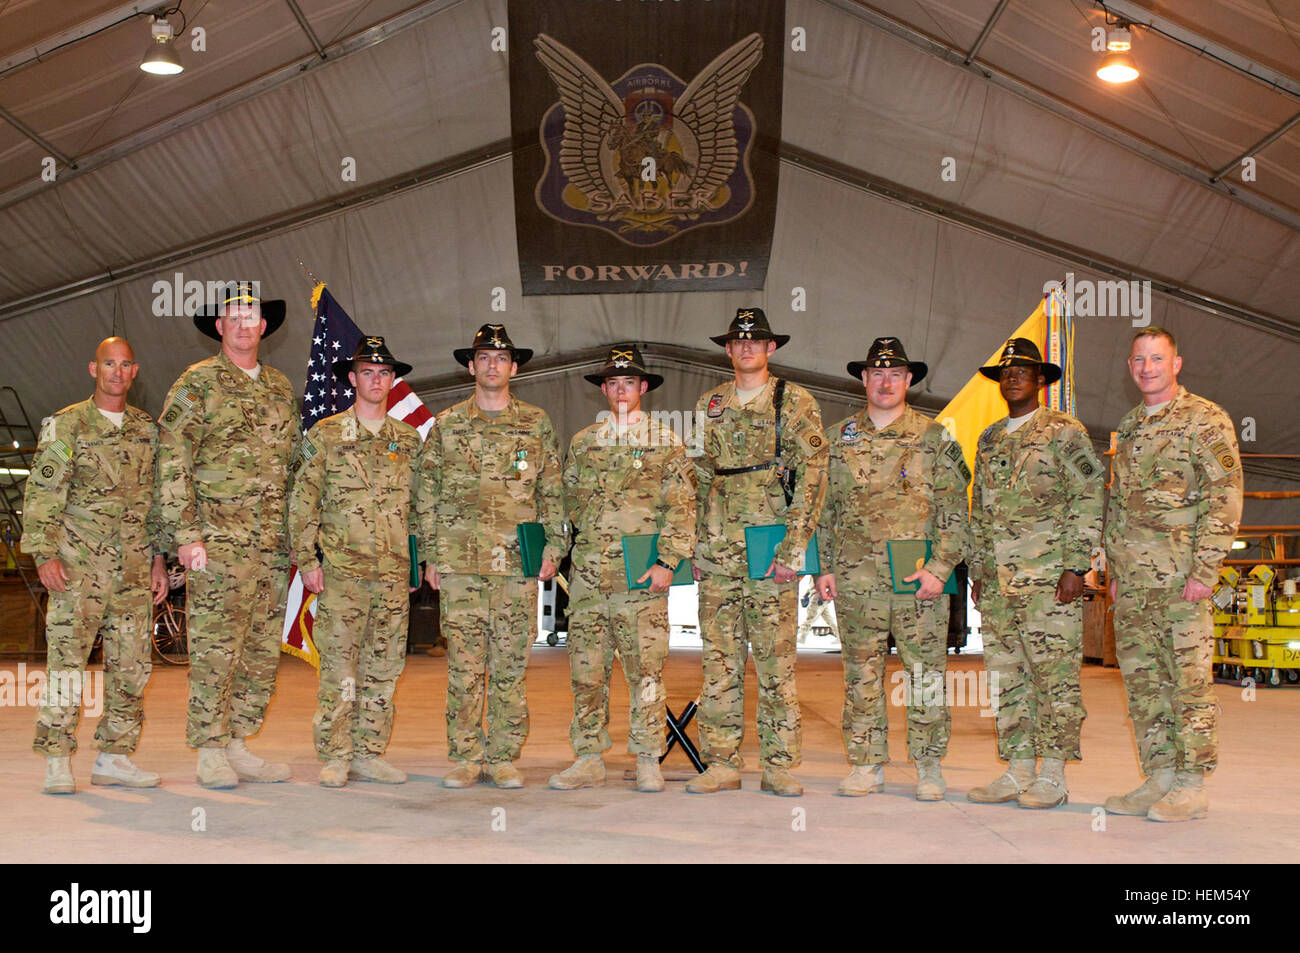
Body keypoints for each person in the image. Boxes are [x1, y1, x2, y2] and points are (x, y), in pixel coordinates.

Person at [155, 281, 300, 789]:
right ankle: (210, 749)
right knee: (217, 649)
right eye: (233, 316)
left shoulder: (280, 387)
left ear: (264, 326)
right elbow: (172, 459)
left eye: (251, 316)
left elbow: (295, 466)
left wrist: (300, 538)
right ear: (220, 327)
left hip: (272, 548)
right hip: (216, 545)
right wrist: (185, 535)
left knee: (260, 651)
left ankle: (239, 743)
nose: (243, 324)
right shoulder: (197, 384)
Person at [816, 337, 970, 800]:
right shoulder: (836, 439)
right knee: (860, 673)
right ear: (863, 379)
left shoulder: (935, 438)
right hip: (855, 579)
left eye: (895, 375)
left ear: (909, 381)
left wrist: (940, 568)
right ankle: (866, 764)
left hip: (918, 579)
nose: (885, 382)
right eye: (876, 374)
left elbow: (954, 509)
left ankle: (928, 766)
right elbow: (824, 509)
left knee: (925, 674)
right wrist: (824, 568)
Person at [416, 325, 564, 789]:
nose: (492, 365)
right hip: (460, 566)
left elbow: (553, 492)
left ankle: (501, 755)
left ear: (514, 367)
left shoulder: (535, 422)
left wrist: (554, 549)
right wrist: (431, 556)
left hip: (516, 568)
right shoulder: (448, 424)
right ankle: (464, 755)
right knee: (463, 666)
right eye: (484, 357)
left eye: (501, 358)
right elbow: (427, 493)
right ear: (471, 365)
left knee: (509, 666)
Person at [1103, 327, 1242, 822]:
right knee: (1144, 686)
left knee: (1188, 684)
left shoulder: (1206, 420)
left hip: (1182, 581)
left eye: (1157, 359)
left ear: (1176, 364)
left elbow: (1224, 497)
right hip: (1135, 583)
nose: (1147, 368)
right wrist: (1116, 569)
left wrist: (1206, 569)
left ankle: (1190, 784)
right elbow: (1117, 504)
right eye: (1139, 359)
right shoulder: (1132, 424)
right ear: (1130, 365)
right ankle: (1159, 775)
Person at [688, 308, 827, 796]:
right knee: (718, 661)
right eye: (738, 341)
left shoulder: (793, 400)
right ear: (728, 350)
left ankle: (779, 765)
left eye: (756, 340)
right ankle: (721, 761)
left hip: (770, 549)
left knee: (775, 661)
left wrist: (794, 550)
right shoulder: (710, 403)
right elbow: (698, 477)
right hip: (719, 550)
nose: (746, 347)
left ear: (771, 348)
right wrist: (696, 549)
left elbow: (813, 477)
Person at [23, 338, 169, 794]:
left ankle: (114, 756)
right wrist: (44, 553)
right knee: (67, 664)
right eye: (109, 363)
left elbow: (158, 501)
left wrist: (159, 560)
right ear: (93, 368)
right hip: (76, 569)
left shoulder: (147, 430)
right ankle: (57, 759)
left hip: (132, 571)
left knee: (131, 666)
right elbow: (43, 492)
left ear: (134, 371)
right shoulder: (67, 425)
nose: (117, 372)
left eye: (125, 365)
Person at [551, 345, 696, 793]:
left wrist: (667, 561)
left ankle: (649, 756)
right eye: (612, 383)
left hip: (641, 578)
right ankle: (589, 757)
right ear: (604, 389)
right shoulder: (584, 442)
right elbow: (563, 505)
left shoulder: (666, 443)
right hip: (590, 579)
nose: (619, 389)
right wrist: (553, 553)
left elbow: (683, 506)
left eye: (628, 382)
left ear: (643, 388)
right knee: (586, 673)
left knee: (646, 672)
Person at [967, 338, 1103, 809]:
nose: (1013, 376)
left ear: (1040, 379)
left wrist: (1075, 565)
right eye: (1006, 371)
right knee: (1007, 679)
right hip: (1000, 584)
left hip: (1049, 581)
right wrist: (979, 569)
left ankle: (1052, 775)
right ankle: (1018, 767)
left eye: (1023, 369)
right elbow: (978, 510)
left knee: (1055, 678)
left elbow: (1088, 496)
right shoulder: (990, 438)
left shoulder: (1064, 432)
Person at [289, 337, 423, 788]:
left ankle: (369, 752)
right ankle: (336, 753)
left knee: (384, 669)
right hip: (342, 575)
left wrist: (415, 565)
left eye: (384, 373)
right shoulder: (323, 435)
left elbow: (420, 509)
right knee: (340, 669)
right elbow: (302, 502)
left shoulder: (407, 441)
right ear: (352, 378)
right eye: (367, 372)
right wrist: (307, 559)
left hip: (391, 577)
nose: (376, 380)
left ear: (393, 381)